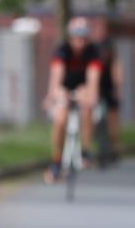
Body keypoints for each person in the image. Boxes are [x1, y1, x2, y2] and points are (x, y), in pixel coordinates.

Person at [43, 17, 101, 183]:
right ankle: (56, 161)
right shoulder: (62, 50)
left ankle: (85, 151)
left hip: (83, 88)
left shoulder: (93, 52)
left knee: (87, 106)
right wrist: (53, 95)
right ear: (70, 37)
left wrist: (92, 95)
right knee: (61, 118)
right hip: (65, 87)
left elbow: (93, 77)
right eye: (76, 37)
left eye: (83, 37)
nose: (79, 41)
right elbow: (56, 76)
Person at [95, 18, 123, 161]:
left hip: (109, 86)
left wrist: (117, 86)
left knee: (113, 117)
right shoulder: (92, 47)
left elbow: (115, 67)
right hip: (95, 87)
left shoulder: (110, 46)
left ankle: (114, 146)